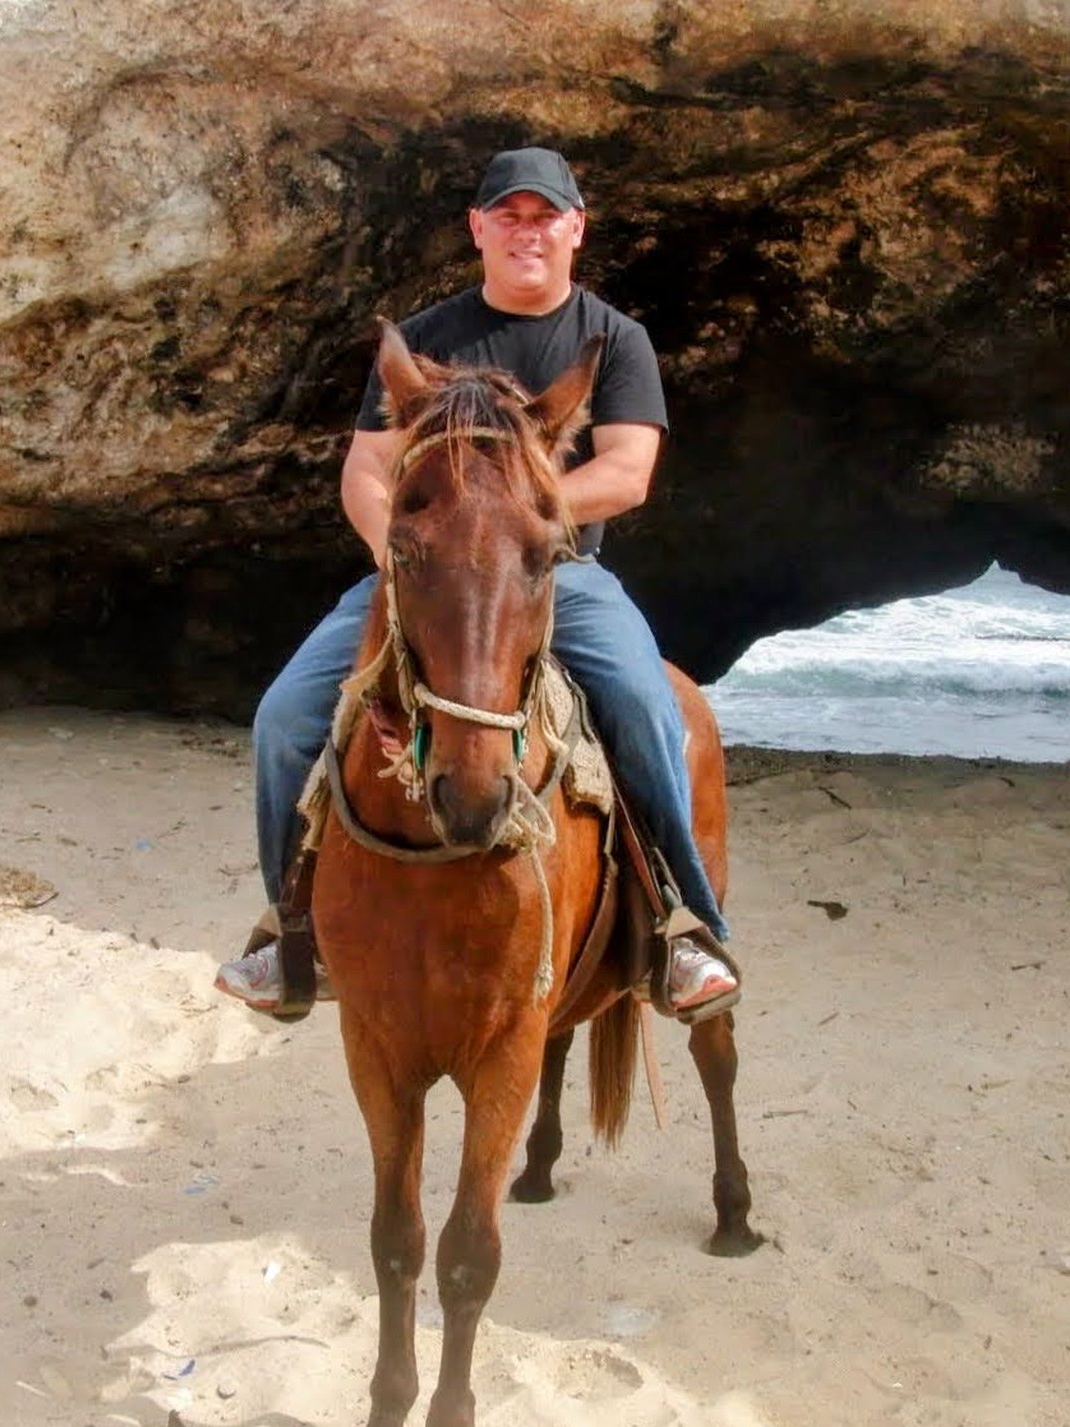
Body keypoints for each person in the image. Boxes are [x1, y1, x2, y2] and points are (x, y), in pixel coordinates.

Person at [215, 146, 739, 1021]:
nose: (527, 232)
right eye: (509, 216)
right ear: (478, 228)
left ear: (576, 229)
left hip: (556, 574)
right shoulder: (426, 340)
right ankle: (291, 936)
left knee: (648, 708)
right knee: (283, 720)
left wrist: (507, 524)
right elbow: (366, 469)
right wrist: (398, 553)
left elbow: (627, 472)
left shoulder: (615, 340)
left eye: (545, 217)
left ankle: (681, 929)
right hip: (421, 577)